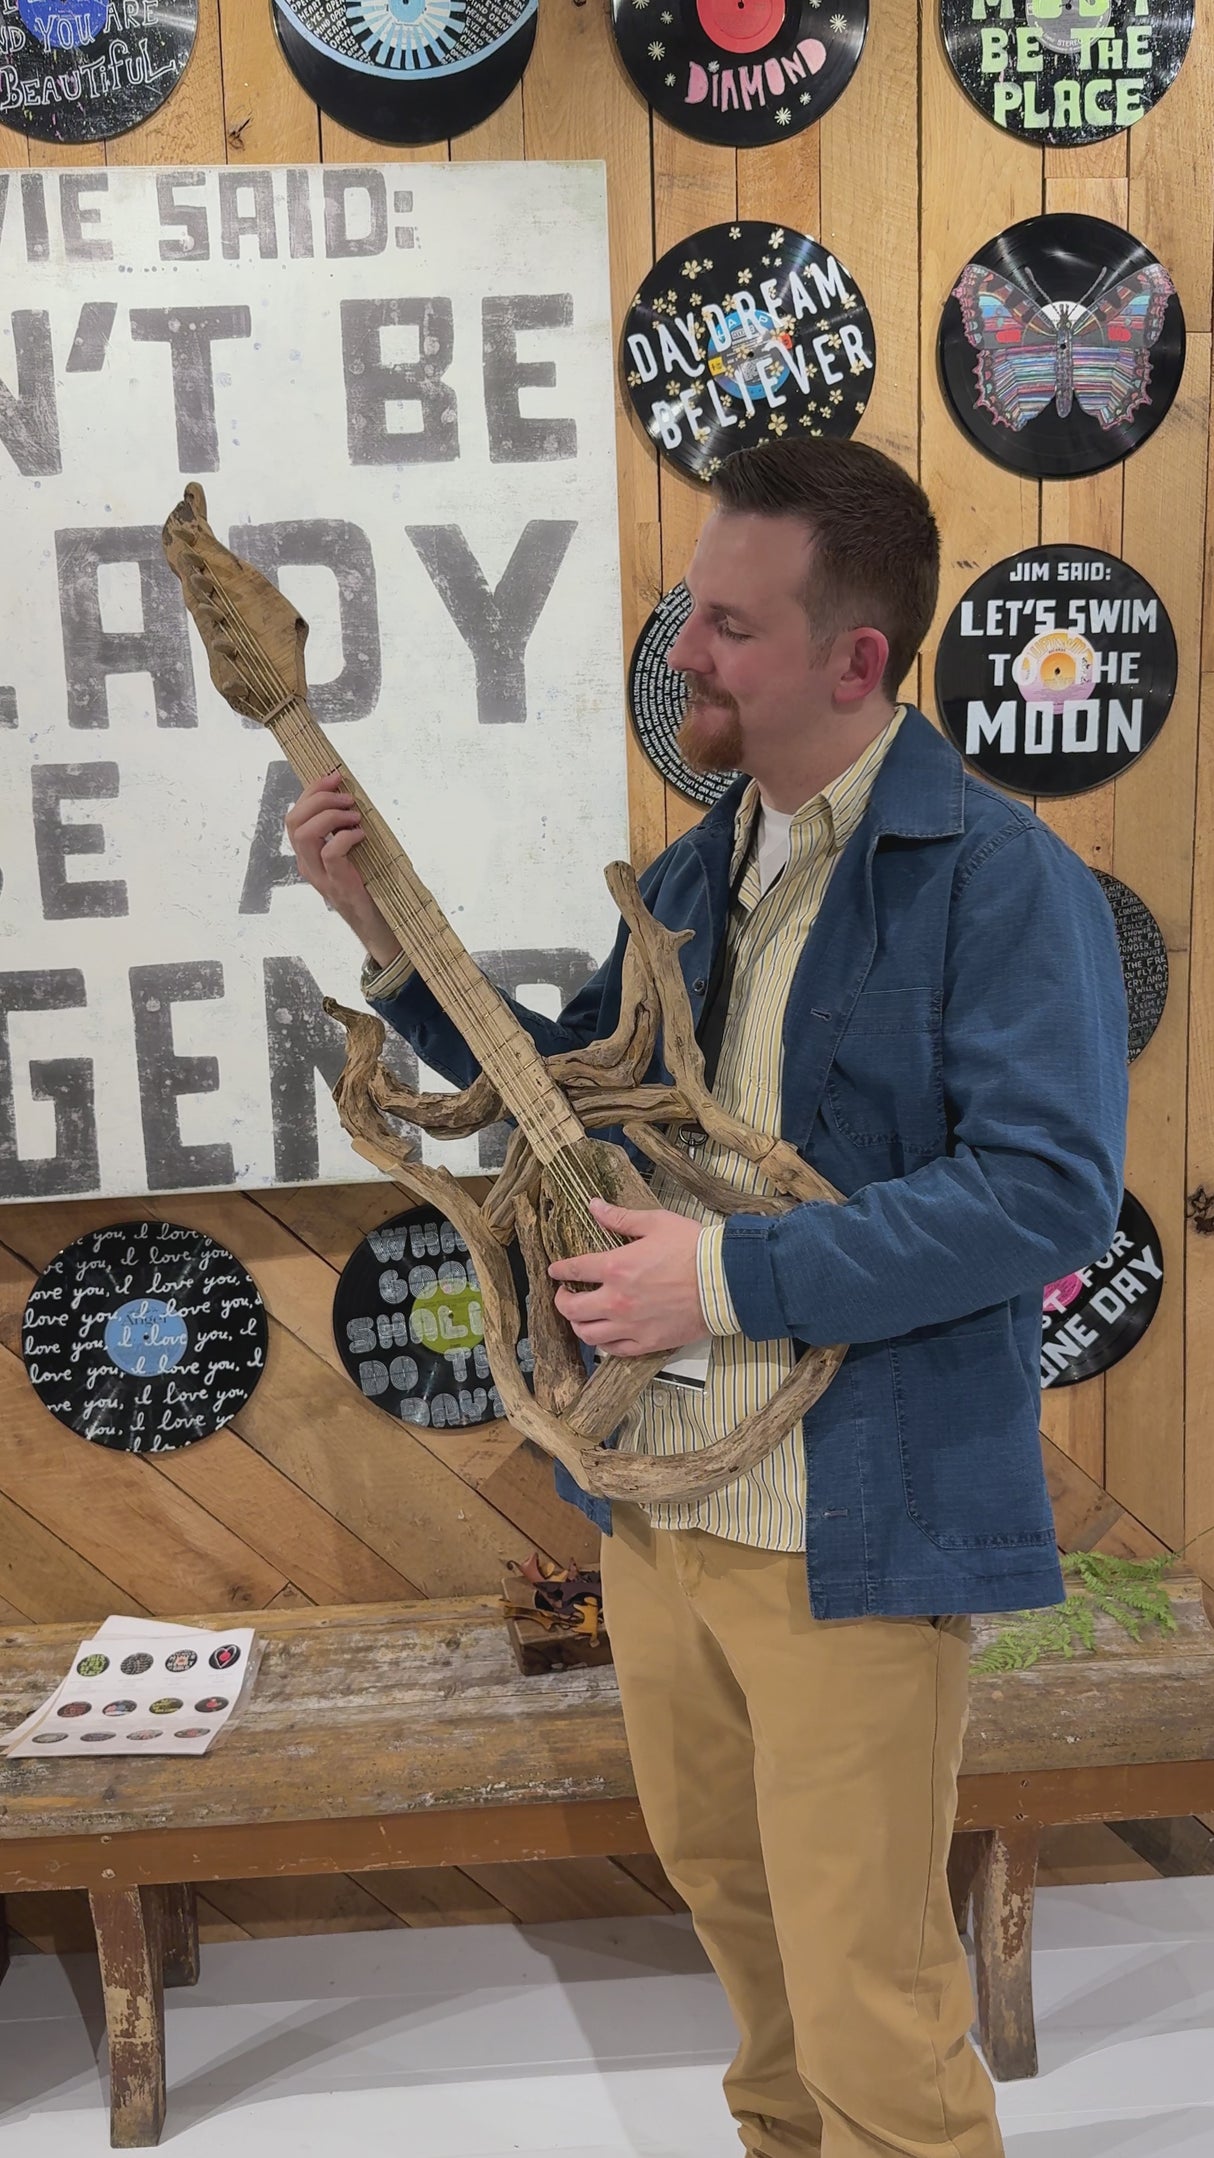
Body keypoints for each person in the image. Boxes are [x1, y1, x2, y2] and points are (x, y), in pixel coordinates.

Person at [287, 437, 1129, 2158]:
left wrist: (725, 1272)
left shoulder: (997, 874)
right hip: (664, 1526)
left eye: (726, 625)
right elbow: (566, 1102)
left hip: (855, 1535)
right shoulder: (694, 872)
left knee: (870, 1997)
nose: (681, 655)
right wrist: (387, 939)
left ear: (856, 660)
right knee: (747, 1954)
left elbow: (1041, 1192)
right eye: (688, 612)